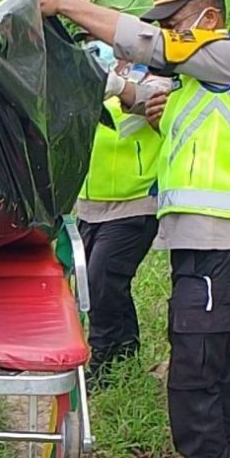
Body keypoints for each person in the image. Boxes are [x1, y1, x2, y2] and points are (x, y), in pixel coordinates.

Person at [39, 0, 230, 458]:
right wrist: (106, 81)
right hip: (199, 247)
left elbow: (148, 47)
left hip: (222, 248)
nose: (167, 34)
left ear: (209, 19)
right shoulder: (200, 84)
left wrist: (62, 2)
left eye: (175, 23)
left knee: (195, 374)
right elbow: (140, 91)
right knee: (206, 371)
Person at [78, 40, 164, 387]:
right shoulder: (91, 78)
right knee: (104, 284)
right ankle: (125, 356)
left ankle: (102, 361)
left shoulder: (155, 79)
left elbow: (147, 105)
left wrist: (116, 86)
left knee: (102, 279)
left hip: (135, 200)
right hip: (90, 203)